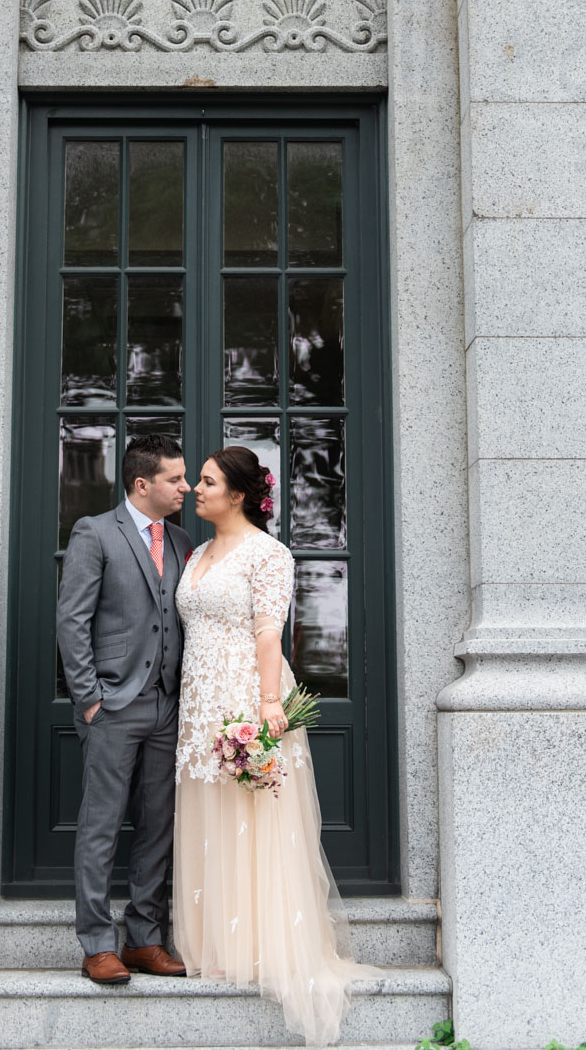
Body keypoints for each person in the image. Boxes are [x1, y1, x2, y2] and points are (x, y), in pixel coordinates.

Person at [173, 445, 380, 1045]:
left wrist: (268, 708)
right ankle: (218, 945)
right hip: (199, 699)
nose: (197, 490)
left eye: (207, 482)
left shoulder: (270, 553)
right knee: (211, 811)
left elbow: (269, 633)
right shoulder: (199, 552)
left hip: (245, 693)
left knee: (254, 813)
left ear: (237, 494)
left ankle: (261, 946)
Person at [57, 433, 192, 985]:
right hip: (113, 703)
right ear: (143, 484)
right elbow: (72, 620)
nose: (186, 487)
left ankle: (143, 938)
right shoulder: (95, 532)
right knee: (101, 825)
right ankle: (96, 944)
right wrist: (89, 699)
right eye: (175, 479)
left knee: (159, 825)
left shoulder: (183, 541)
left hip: (168, 706)